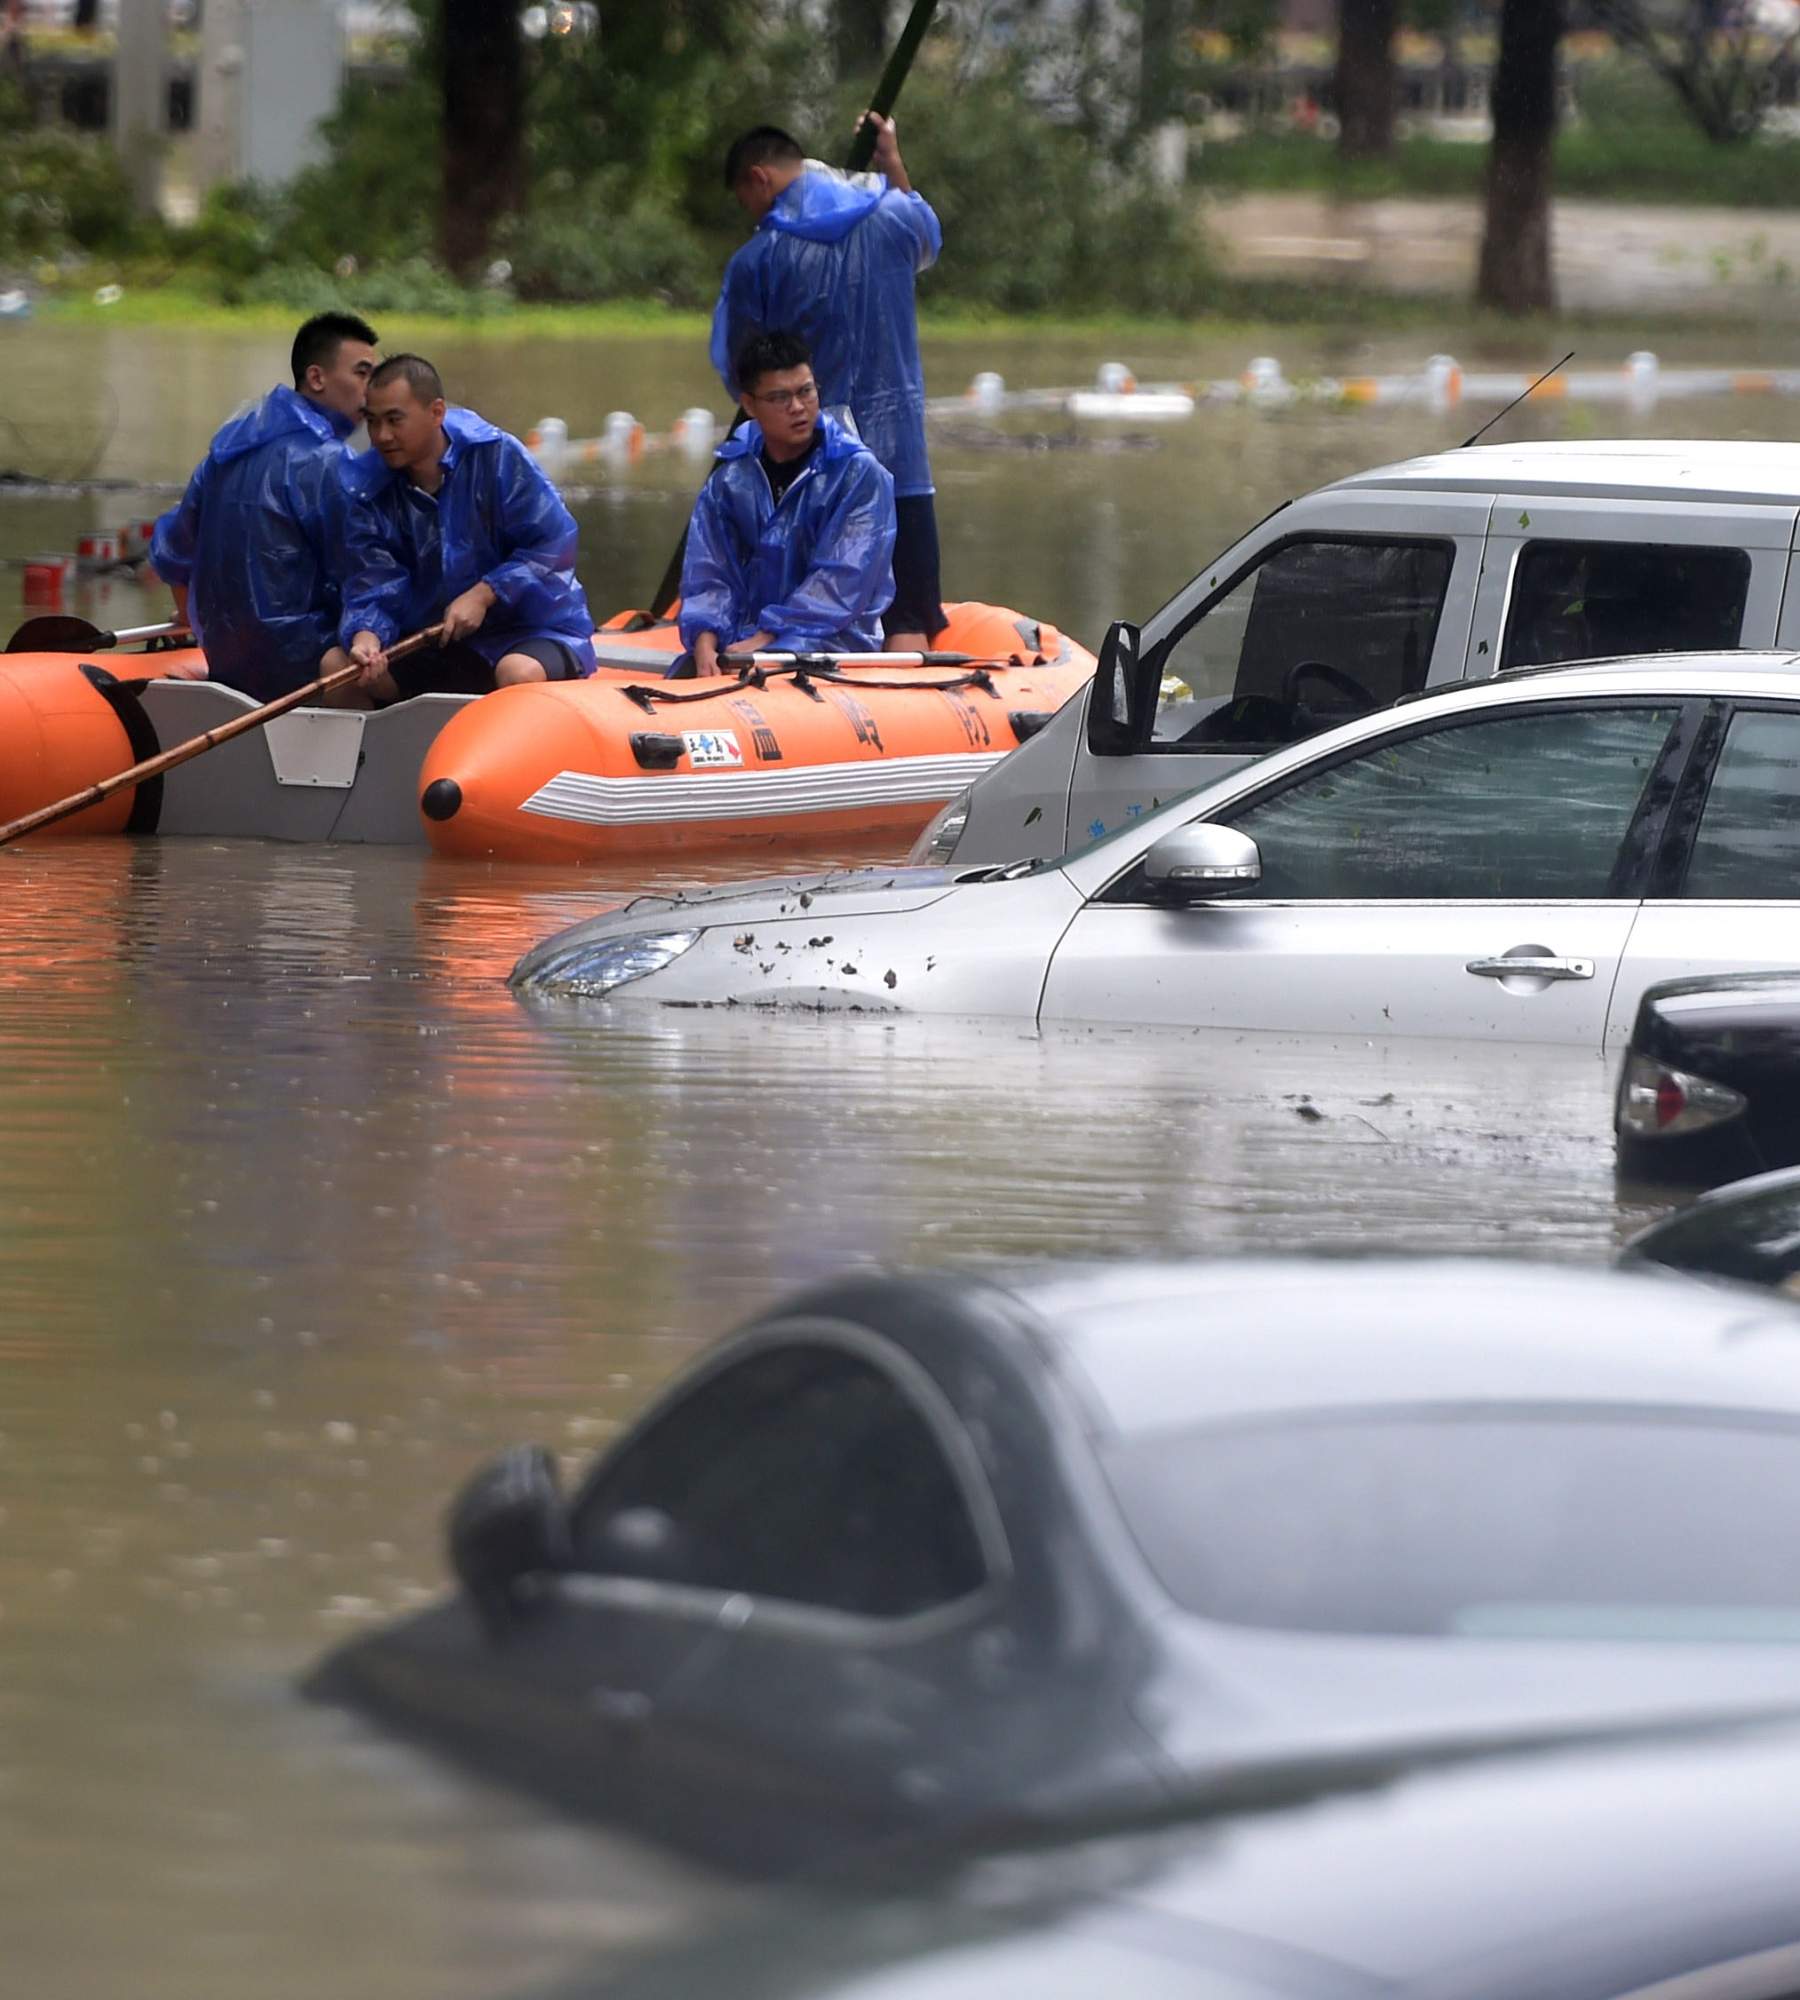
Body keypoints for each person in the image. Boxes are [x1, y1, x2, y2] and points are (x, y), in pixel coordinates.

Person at [711, 116, 942, 654]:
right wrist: (893, 163)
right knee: (906, 614)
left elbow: (740, 365)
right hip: (901, 458)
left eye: (746, 198)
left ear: (759, 178)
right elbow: (927, 240)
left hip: (809, 471)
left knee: (800, 603)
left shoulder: (759, 259)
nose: (752, 213)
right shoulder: (893, 217)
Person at [331, 355, 596, 706]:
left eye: (395, 420)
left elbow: (552, 544)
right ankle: (377, 759)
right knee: (336, 667)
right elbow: (374, 582)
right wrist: (366, 637)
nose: (382, 436)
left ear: (436, 412)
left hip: (527, 630)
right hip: (435, 640)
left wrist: (486, 593)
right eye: (372, 422)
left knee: (517, 672)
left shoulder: (497, 457)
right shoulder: (368, 488)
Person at [149, 311, 378, 701]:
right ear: (317, 377)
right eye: (362, 374)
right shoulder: (331, 463)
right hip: (306, 664)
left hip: (228, 664)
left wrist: (189, 618)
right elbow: (365, 572)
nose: (372, 390)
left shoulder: (225, 452)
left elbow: (172, 550)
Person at [678, 330, 896, 678]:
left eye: (805, 391)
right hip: (745, 640)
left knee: (773, 669)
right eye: (780, 397)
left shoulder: (860, 475)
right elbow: (710, 573)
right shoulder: (729, 483)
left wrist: (770, 636)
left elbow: (843, 578)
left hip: (833, 642)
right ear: (749, 405)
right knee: (685, 676)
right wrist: (705, 641)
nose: (797, 407)